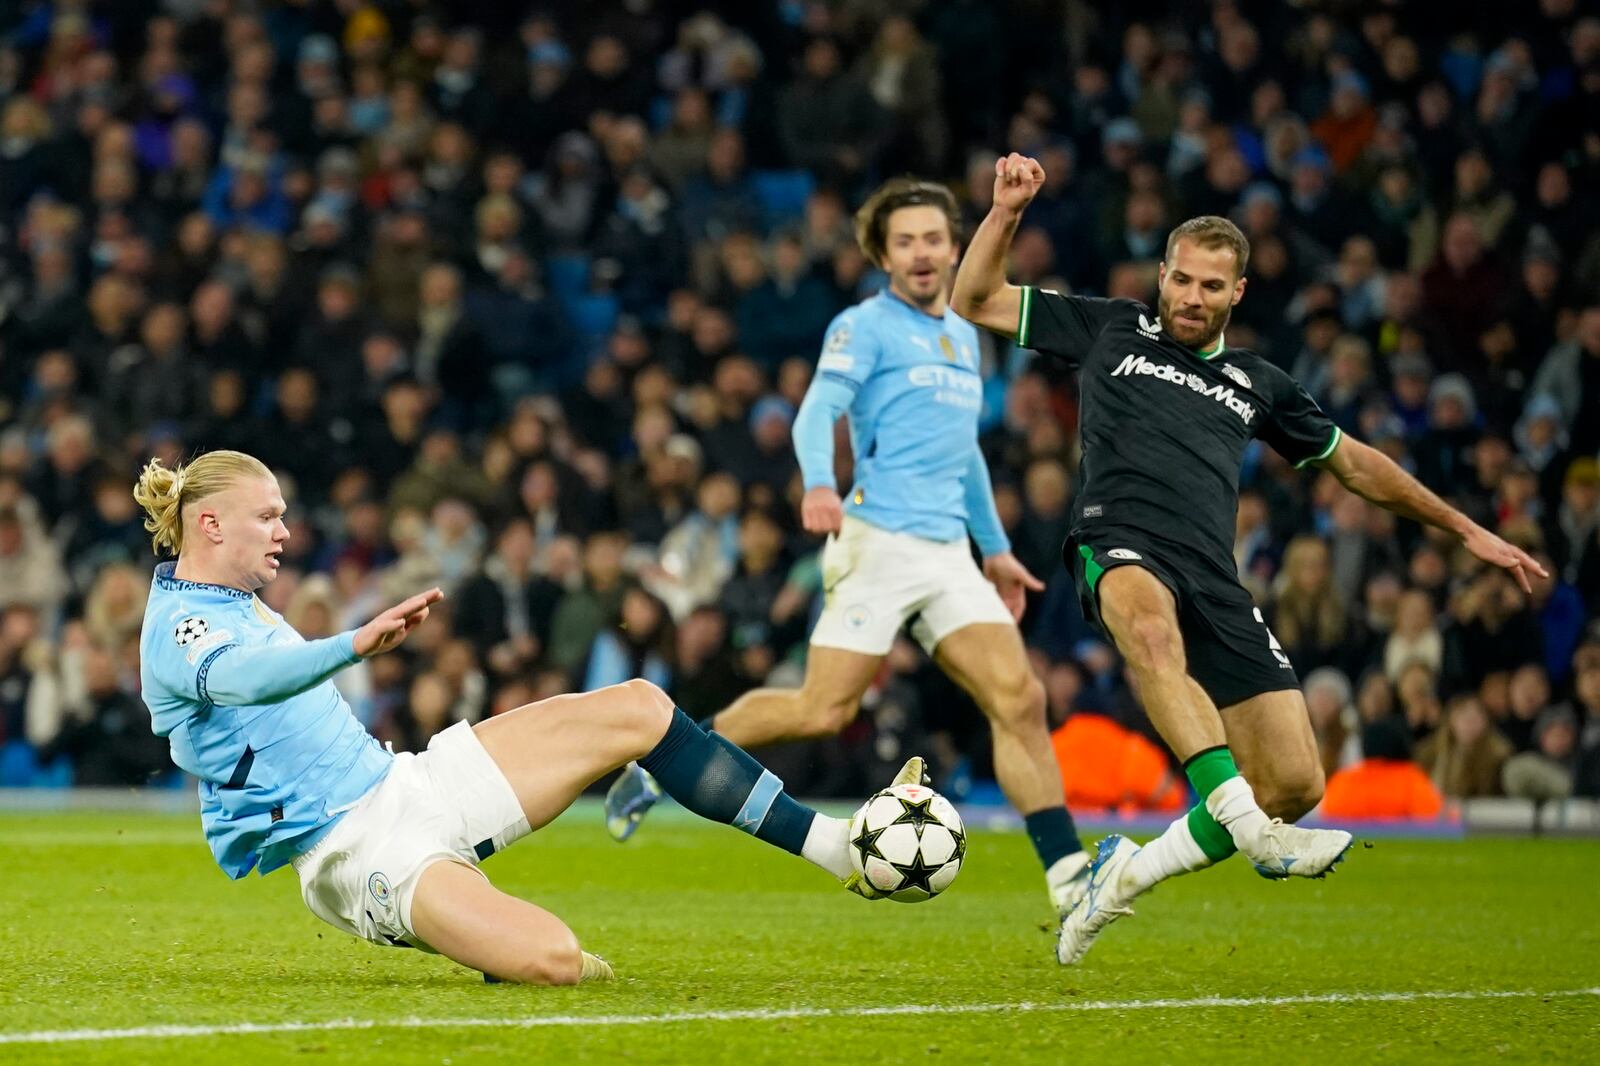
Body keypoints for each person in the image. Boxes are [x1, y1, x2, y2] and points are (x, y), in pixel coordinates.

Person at [951, 153, 1546, 965]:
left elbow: (1355, 463)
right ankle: (1255, 837)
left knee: (1297, 783)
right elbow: (974, 297)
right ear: (1161, 274)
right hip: (1118, 543)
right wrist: (1006, 214)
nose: (1190, 297)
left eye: (1209, 286)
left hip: (1212, 574)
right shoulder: (1110, 326)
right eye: (1181, 279)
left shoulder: (1258, 382)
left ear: (1238, 292)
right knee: (1153, 640)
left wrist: (1464, 528)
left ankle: (1125, 875)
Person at [133, 450, 918, 985]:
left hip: (407, 782)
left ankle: (838, 849)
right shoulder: (180, 627)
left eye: (283, 515)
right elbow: (245, 680)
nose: (284, 530)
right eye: (268, 516)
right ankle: (458, 913)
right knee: (555, 961)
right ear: (211, 525)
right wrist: (353, 643)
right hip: (355, 851)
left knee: (640, 708)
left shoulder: (231, 600)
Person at [607, 177, 1091, 920]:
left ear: (955, 246)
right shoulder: (863, 327)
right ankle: (664, 761)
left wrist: (993, 551)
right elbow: (818, 411)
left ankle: (1070, 878)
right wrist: (817, 484)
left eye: (933, 238)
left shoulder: (965, 334)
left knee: (1020, 698)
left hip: (947, 555)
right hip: (877, 544)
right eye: (905, 241)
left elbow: (964, 457)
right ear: (883, 255)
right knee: (822, 708)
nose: (923, 253)